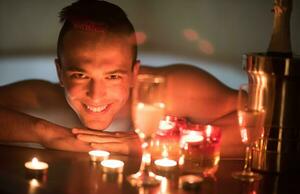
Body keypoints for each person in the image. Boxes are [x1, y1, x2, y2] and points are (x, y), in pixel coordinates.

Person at [0, 0, 243, 157]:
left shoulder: (170, 90)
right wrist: (44, 132)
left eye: (113, 76)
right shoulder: (41, 99)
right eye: (80, 75)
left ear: (134, 74)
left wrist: (160, 144)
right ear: (60, 73)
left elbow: (261, 123)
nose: (96, 94)